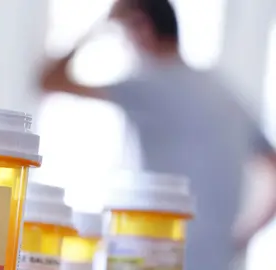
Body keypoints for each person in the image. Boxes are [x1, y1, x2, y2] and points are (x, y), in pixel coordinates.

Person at [39, 0, 276, 269]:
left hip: (155, 253)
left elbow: (49, 80)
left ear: (142, 27)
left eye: (124, 33)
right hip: (218, 259)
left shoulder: (148, 86)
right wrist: (244, 236)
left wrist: (101, 25)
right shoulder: (225, 93)